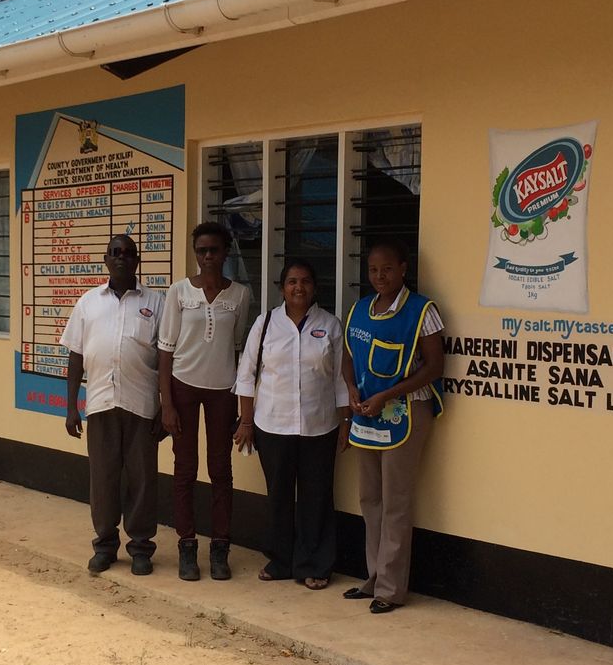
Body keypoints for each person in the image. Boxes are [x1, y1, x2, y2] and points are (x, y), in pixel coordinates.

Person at [340, 240, 445, 614]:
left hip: (406, 412)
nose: (379, 276)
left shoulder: (422, 311)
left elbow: (434, 367)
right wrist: (351, 389)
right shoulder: (360, 310)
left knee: (396, 502)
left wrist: (388, 395)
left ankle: (390, 588)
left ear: (403, 269)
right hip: (368, 413)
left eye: (387, 269)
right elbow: (348, 357)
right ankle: (373, 577)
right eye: (373, 270)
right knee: (370, 498)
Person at [233, 260, 350, 589]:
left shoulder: (330, 325)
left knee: (317, 497)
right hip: (272, 425)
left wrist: (345, 423)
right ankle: (281, 560)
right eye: (292, 281)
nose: (299, 287)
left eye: (306, 281)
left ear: (315, 287)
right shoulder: (266, 323)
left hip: (319, 426)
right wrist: (246, 422)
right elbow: (246, 374)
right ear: (282, 287)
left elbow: (341, 379)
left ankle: (315, 564)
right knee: (279, 495)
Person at [63, 234, 165, 576]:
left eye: (128, 253)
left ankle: (141, 548)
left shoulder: (156, 302)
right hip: (101, 404)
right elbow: (76, 356)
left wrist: (165, 406)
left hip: (142, 406)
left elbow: (167, 358)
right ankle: (105, 545)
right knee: (103, 479)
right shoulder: (88, 302)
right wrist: (71, 407)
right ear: (106, 260)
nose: (121, 257)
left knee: (142, 480)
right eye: (115, 252)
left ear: (137, 260)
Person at [157, 222, 252, 581]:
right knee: (185, 469)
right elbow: (165, 350)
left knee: (220, 471)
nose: (208, 256)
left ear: (226, 252)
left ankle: (220, 549)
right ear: (195, 253)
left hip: (222, 391)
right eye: (202, 250)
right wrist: (166, 404)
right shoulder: (179, 292)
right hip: (183, 386)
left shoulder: (240, 295)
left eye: (214, 250)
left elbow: (238, 347)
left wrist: (241, 406)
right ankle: (187, 546)